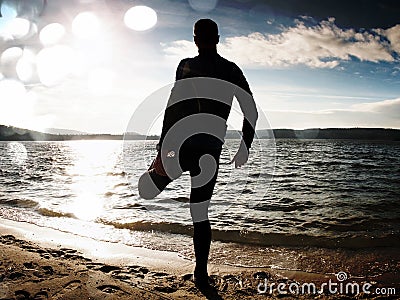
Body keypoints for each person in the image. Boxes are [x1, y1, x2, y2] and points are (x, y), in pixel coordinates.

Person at [138, 18, 258, 288]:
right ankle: (200, 273)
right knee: (199, 212)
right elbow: (251, 111)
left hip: (180, 146)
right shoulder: (231, 70)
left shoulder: (185, 65)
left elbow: (172, 108)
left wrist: (162, 150)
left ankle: (200, 271)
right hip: (208, 153)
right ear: (217, 38)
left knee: (146, 189)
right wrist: (245, 146)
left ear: (195, 39)